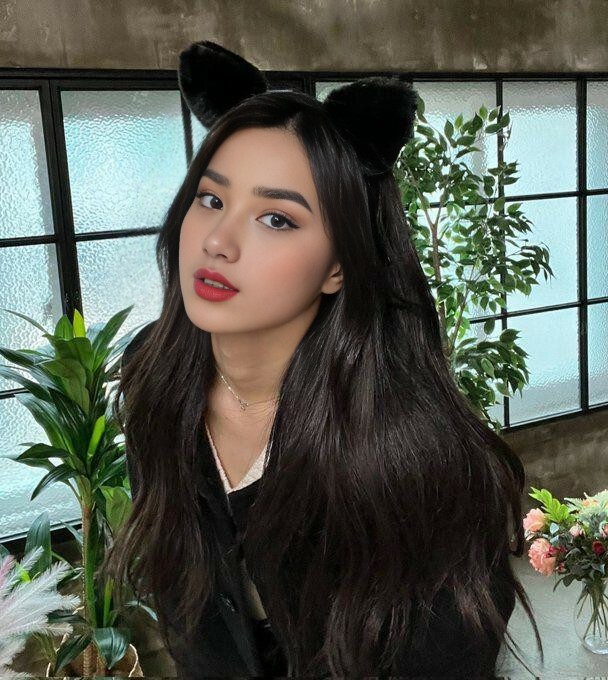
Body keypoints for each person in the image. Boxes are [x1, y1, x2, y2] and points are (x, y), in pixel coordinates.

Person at [102, 41, 543, 678]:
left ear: (338, 265)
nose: (219, 241)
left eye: (277, 219)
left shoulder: (415, 452)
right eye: (212, 199)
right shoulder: (156, 375)